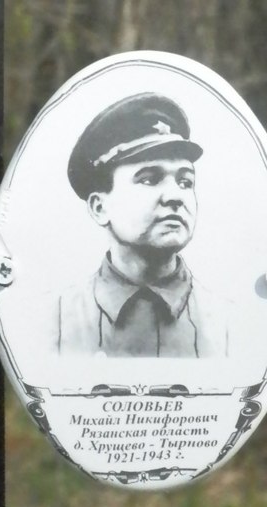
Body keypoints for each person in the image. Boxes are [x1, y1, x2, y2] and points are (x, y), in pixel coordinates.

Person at [56, 92, 229, 358]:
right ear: (100, 207)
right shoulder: (57, 321)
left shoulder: (227, 323)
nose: (175, 196)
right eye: (149, 179)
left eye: (185, 182)